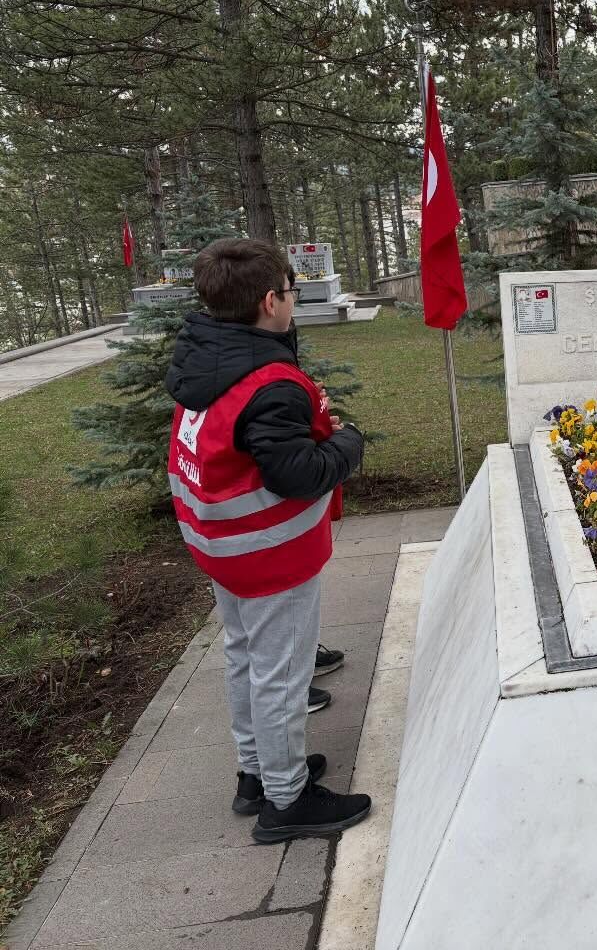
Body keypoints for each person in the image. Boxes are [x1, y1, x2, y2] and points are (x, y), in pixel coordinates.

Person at [165, 238, 372, 842]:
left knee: (245, 657)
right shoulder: (268, 381)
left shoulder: (206, 357)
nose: (293, 299)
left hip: (219, 544)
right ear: (269, 301)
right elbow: (296, 474)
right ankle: (288, 801)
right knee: (280, 673)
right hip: (267, 554)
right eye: (290, 290)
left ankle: (257, 774)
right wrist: (348, 442)